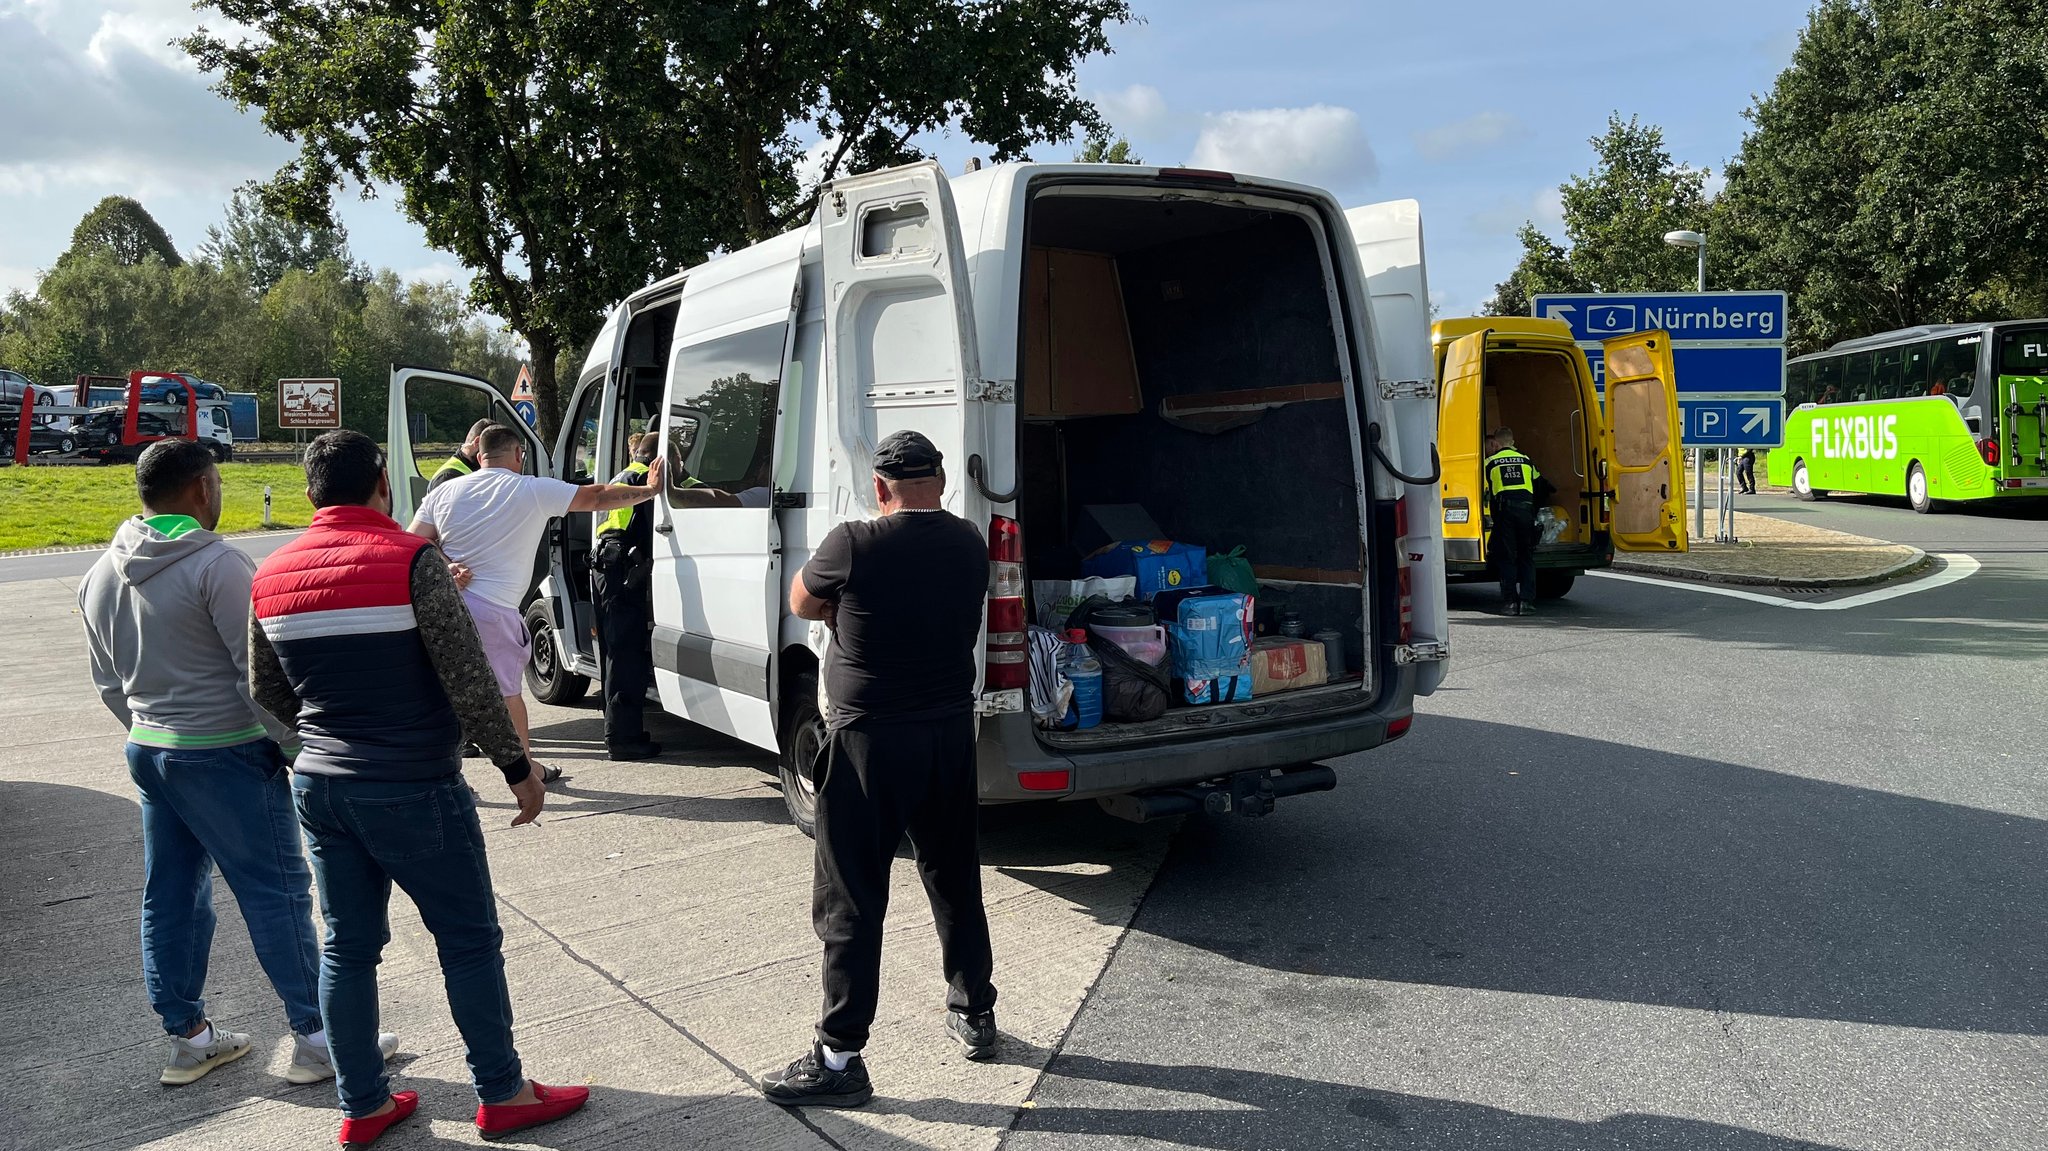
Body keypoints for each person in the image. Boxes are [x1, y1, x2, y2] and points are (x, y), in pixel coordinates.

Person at [249, 430, 590, 1147]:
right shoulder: (411, 560)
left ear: (311, 493)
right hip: (412, 783)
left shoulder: (270, 574)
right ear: (382, 483)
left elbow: (266, 691)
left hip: (320, 785)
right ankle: (502, 1092)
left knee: (346, 947)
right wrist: (516, 767)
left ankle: (363, 1103)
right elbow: (468, 675)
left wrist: (325, 733)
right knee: (467, 940)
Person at [77, 439, 390, 1088]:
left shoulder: (100, 572)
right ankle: (318, 1035)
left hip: (152, 750)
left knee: (171, 895)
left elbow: (108, 683)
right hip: (225, 753)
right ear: (198, 488)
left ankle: (187, 1037)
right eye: (216, 480)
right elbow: (259, 673)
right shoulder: (216, 565)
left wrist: (154, 731)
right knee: (277, 891)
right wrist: (294, 748)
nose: (219, 491)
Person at [760, 431, 999, 1109]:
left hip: (871, 740)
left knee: (852, 895)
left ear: (879, 487)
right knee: (954, 874)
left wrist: (848, 608)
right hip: (949, 732)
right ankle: (974, 1008)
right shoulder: (969, 542)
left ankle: (839, 1057)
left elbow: (802, 600)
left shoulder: (854, 542)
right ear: (943, 481)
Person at [408, 425, 663, 783]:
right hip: (493, 610)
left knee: (442, 690)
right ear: (518, 455)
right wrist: (650, 490)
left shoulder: (446, 491)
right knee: (507, 694)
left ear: (480, 456)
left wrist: (447, 563)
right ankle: (526, 772)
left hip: (444, 608)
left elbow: (413, 542)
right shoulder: (530, 489)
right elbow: (599, 496)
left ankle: (428, 767)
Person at [593, 432, 663, 759]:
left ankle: (617, 729)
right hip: (621, 572)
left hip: (607, 569)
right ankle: (623, 740)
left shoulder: (624, 474)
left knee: (614, 652)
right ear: (655, 459)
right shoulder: (642, 480)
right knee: (626, 656)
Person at [1483, 427, 1541, 616]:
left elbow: (1484, 489)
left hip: (1504, 513)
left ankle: (1510, 603)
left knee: (1507, 557)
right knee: (1526, 556)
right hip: (1525, 511)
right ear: (1513, 442)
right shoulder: (1526, 460)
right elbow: (1540, 484)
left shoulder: (1490, 462)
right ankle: (1527, 603)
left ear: (1495, 444)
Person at [428, 419, 499, 491]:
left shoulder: (466, 469)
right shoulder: (448, 478)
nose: (494, 457)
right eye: (494, 449)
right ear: (477, 442)